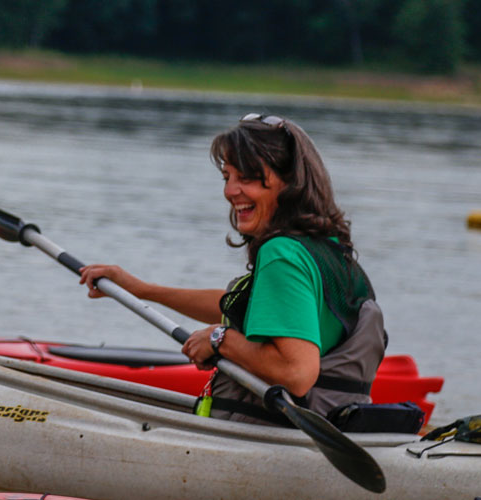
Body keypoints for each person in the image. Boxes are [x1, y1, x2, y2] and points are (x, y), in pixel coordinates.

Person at [78, 113, 387, 427]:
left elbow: (297, 374)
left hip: (271, 440)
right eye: (227, 177)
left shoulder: (281, 254)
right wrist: (142, 290)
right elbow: (242, 305)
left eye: (248, 178)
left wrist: (218, 338)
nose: (230, 191)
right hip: (332, 426)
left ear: (290, 183)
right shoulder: (328, 250)